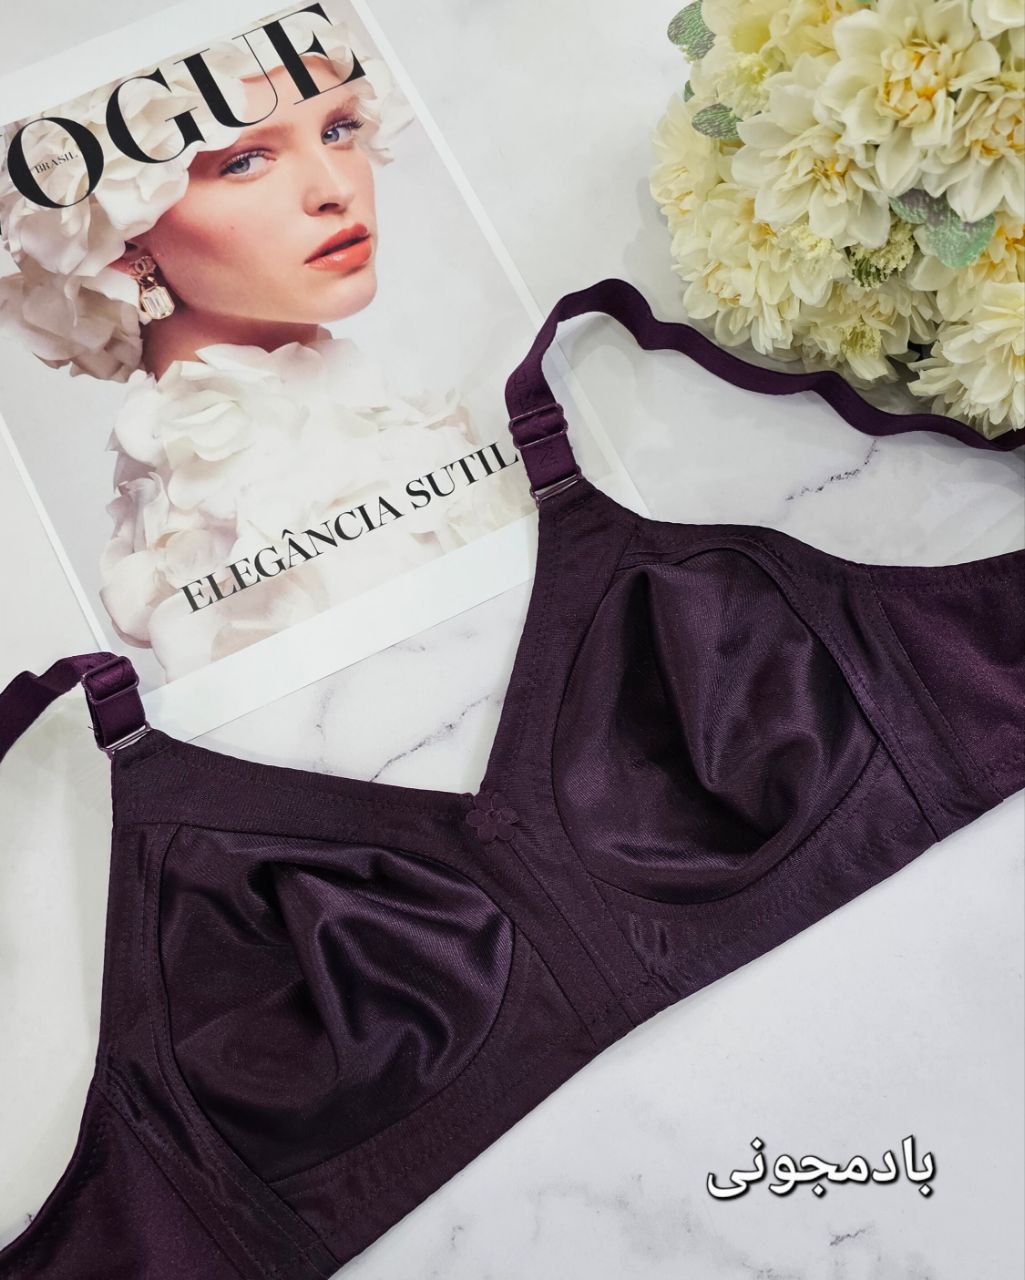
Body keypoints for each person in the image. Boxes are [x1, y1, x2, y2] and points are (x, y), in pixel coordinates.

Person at [0, 12, 529, 681]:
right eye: (245, 161)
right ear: (121, 243)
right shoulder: (247, 506)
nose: (336, 189)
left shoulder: (297, 440)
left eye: (337, 130)